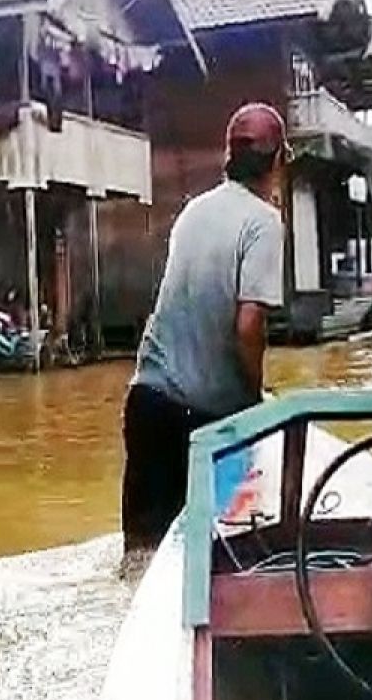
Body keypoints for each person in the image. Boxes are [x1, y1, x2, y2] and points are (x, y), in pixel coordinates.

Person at [121, 102, 290, 554]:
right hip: (201, 425)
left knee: (141, 562)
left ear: (228, 158)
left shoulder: (194, 210)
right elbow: (249, 325)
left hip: (146, 404)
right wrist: (256, 399)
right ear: (278, 161)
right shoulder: (264, 222)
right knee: (205, 564)